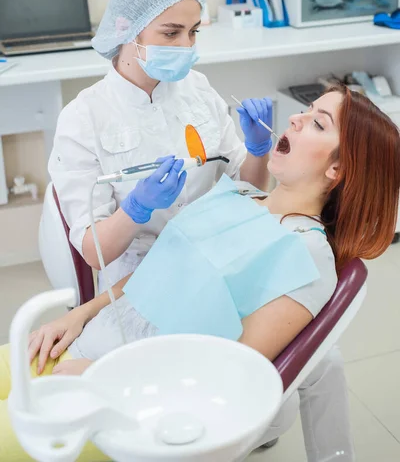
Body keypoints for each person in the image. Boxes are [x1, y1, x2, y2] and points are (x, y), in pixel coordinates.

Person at [1, 85, 399, 462]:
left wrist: (102, 378)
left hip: (128, 406)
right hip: (83, 345)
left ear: (337, 169)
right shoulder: (240, 193)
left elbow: (227, 369)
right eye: (307, 110)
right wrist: (80, 314)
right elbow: (157, 271)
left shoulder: (306, 252)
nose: (297, 118)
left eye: (318, 123)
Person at [45, 0, 273, 293]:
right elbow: (96, 252)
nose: (187, 46)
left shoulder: (198, 89)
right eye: (171, 33)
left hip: (215, 254)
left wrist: (258, 151)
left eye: (194, 31)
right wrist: (136, 208)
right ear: (126, 29)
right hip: (137, 278)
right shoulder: (83, 119)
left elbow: (251, 190)